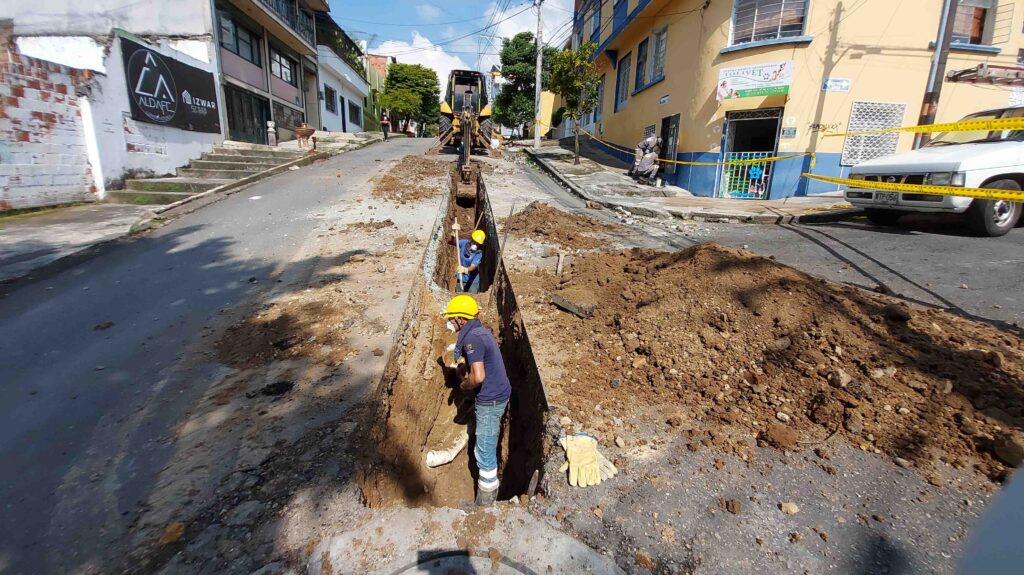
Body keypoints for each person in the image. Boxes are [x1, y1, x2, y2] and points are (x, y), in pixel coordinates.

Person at [444, 295, 511, 506]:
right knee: (485, 444)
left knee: (484, 450)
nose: (449, 322)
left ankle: (485, 505)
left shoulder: (472, 339)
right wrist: (466, 368)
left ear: (461, 320)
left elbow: (479, 377)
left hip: (490, 401)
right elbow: (481, 364)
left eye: (452, 318)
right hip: (497, 393)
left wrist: (464, 385)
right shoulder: (480, 332)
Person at [449, 229, 485, 293]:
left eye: (478, 243)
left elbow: (472, 267)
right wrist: (452, 237)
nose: (475, 244)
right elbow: (451, 242)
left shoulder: (479, 253)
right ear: (471, 239)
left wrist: (464, 269)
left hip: (472, 281)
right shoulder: (464, 243)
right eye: (474, 242)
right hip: (461, 277)